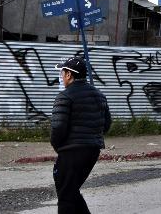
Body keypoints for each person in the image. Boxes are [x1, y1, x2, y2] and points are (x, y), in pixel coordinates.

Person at [50, 53, 111, 214]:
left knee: (66, 197)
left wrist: (59, 148)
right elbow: (106, 125)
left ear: (69, 74)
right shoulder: (100, 95)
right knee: (70, 192)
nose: (61, 77)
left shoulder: (65, 96)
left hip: (71, 152)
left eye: (62, 73)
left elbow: (58, 128)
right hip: (92, 152)